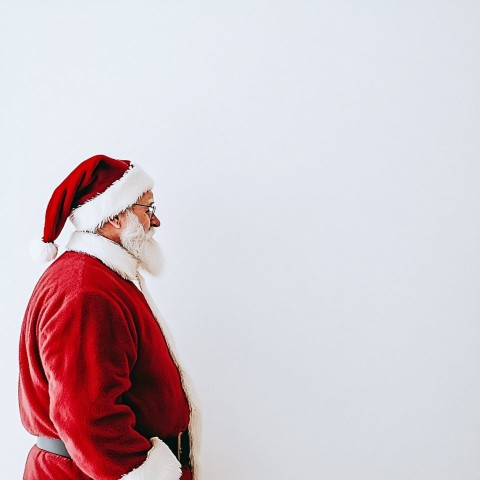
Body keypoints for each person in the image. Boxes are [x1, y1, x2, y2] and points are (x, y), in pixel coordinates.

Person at [18, 155, 200, 480]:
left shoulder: (98, 278)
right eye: (148, 210)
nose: (155, 222)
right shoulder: (87, 291)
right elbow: (87, 416)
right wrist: (146, 472)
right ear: (116, 216)